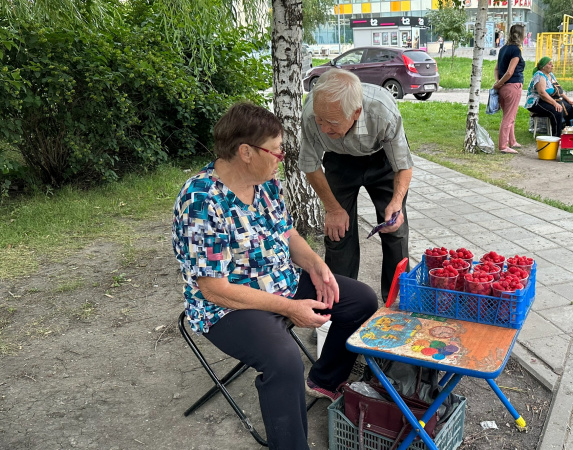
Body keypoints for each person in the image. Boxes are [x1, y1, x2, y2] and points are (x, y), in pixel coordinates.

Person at [172, 102, 378, 449]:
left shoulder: (265, 182)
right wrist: (287, 308)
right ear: (246, 152)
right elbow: (214, 289)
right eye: (277, 150)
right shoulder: (200, 201)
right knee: (282, 360)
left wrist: (315, 264)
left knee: (361, 300)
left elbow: (287, 234)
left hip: (280, 282)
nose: (282, 158)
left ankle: (324, 379)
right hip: (228, 307)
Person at [300, 69, 412, 302]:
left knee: (395, 229)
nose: (322, 129)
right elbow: (310, 164)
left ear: (356, 112)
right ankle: (339, 303)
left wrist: (397, 202)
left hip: (382, 159)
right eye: (320, 120)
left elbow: (402, 164)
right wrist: (333, 209)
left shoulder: (382, 110)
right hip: (338, 161)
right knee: (337, 233)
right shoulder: (312, 112)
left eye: (331, 122)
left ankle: (397, 301)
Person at [493, 24, 526, 154]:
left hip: (503, 87)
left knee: (509, 115)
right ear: (521, 35)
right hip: (513, 86)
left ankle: (512, 141)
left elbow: (497, 69)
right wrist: (500, 83)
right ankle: (503, 146)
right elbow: (510, 72)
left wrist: (498, 83)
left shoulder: (503, 49)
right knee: (509, 118)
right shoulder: (516, 50)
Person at [525, 57, 573, 137]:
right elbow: (542, 93)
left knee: (569, 107)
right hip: (536, 102)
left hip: (548, 99)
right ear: (543, 67)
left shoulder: (551, 75)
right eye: (549, 64)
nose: (552, 65)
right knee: (556, 111)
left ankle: (570, 133)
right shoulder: (539, 75)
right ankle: (556, 136)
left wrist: (568, 100)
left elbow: (558, 90)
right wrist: (555, 103)